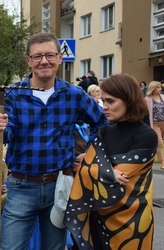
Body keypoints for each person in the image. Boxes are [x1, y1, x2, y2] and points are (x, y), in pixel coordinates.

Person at [0, 32, 108, 250]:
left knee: (54, 248)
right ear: (28, 61)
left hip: (60, 187)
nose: (44, 61)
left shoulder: (74, 95)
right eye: (37, 56)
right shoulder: (13, 95)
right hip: (21, 186)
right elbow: (1, 136)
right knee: (10, 248)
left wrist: (90, 155)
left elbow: (101, 123)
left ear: (60, 58)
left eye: (50, 55)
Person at [65, 73, 157, 249]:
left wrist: (98, 167)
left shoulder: (147, 136)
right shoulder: (105, 131)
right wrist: (105, 170)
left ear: (128, 100)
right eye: (104, 101)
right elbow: (91, 169)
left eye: (111, 101)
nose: (104, 107)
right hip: (98, 216)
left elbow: (112, 178)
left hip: (133, 221)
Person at [145, 80, 164, 169]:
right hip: (155, 123)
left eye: (160, 87)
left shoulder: (163, 97)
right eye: (158, 87)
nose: (160, 89)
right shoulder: (147, 99)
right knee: (159, 142)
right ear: (153, 88)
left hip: (163, 122)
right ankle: (163, 162)